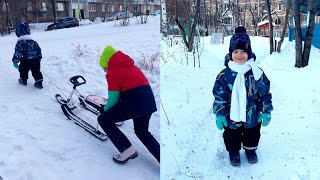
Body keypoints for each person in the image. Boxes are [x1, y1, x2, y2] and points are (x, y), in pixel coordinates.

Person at [212, 32, 273, 166]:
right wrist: (220, 114)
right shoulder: (225, 74)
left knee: (252, 134)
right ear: (230, 53)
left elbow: (264, 93)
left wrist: (266, 111)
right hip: (231, 114)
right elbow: (219, 96)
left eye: (243, 51)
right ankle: (233, 152)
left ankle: (250, 150)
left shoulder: (256, 72)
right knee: (231, 135)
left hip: (252, 113)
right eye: (236, 51)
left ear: (249, 53)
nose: (239, 55)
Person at [97, 45, 160, 164]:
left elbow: (113, 98)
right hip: (148, 103)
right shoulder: (131, 67)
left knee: (103, 119)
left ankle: (126, 150)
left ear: (108, 64)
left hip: (134, 104)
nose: (104, 70)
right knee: (142, 132)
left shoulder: (113, 72)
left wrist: (105, 110)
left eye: (104, 67)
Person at [12, 21, 43, 89]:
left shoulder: (20, 42)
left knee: (23, 70)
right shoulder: (34, 42)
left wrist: (15, 61)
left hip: (26, 61)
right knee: (36, 71)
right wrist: (39, 58)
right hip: (36, 60)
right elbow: (39, 50)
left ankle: (23, 80)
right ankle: (39, 82)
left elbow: (18, 52)